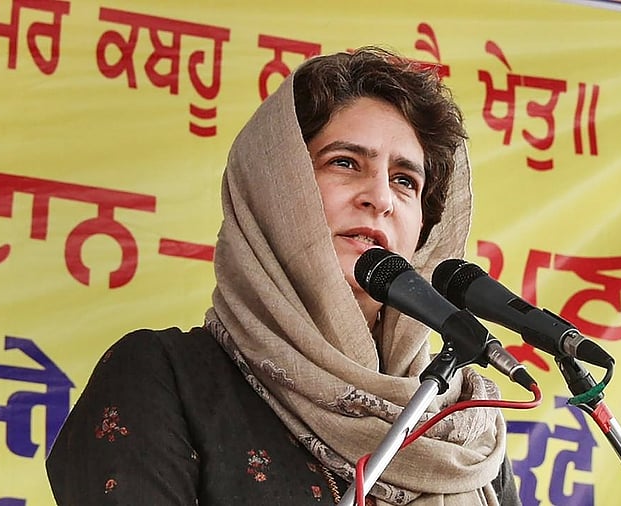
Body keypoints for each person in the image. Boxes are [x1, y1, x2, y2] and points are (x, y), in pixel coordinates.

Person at [46, 46, 521, 506]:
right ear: (275, 191)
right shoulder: (166, 378)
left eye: (405, 181)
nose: (380, 198)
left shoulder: (462, 431)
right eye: (345, 162)